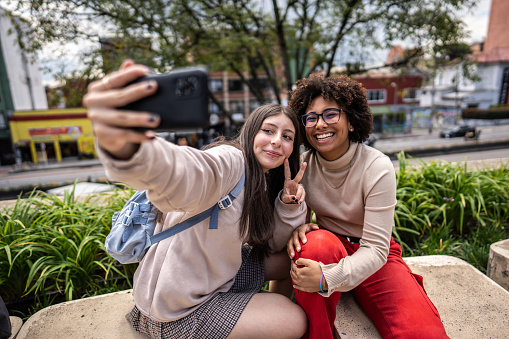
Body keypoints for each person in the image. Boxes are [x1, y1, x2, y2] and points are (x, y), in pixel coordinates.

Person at [84, 60, 308, 339]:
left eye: (287, 137)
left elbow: (276, 244)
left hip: (203, 283)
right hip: (175, 314)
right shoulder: (231, 160)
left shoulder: (261, 182)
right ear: (251, 131)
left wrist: (288, 203)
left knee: (293, 261)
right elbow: (187, 175)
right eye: (268, 130)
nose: (276, 141)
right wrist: (129, 148)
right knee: (293, 319)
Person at [285, 74, 449, 339]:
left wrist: (328, 277)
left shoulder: (376, 166)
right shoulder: (301, 166)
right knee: (314, 245)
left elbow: (375, 249)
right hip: (328, 248)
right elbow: (285, 216)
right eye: (311, 117)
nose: (320, 124)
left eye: (330, 114)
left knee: (423, 332)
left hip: (373, 253)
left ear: (351, 121)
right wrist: (296, 223)